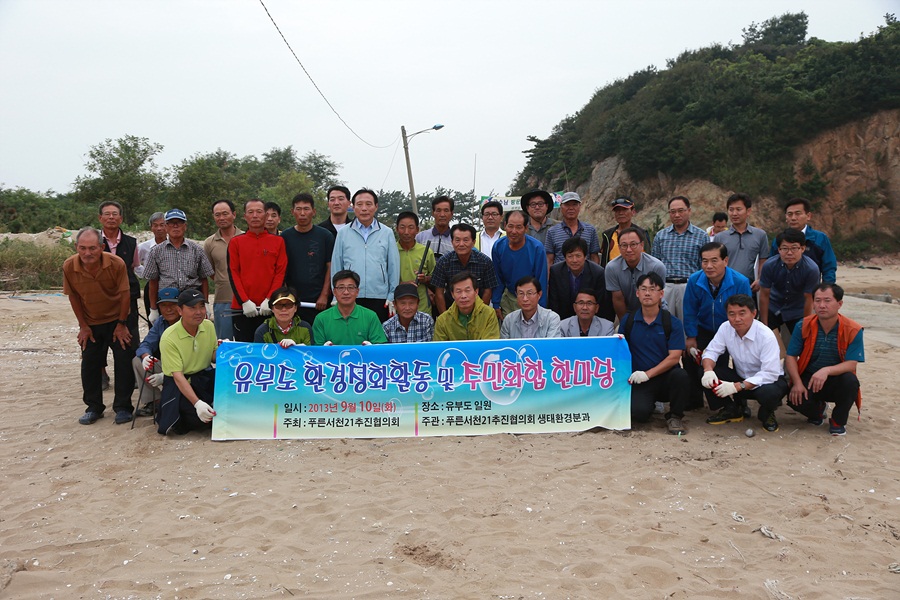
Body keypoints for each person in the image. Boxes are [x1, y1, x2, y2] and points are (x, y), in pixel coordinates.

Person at [63, 227, 135, 425]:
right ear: (77, 247)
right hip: (91, 322)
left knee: (123, 361)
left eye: (93, 248)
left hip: (116, 320)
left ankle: (123, 407)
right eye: (83, 248)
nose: (88, 253)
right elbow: (73, 297)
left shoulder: (116, 263)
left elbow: (125, 295)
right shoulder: (69, 266)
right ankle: (94, 407)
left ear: (102, 247)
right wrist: (83, 326)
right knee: (89, 364)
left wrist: (122, 324)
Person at [784, 284, 864, 436]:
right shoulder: (803, 325)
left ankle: (838, 421)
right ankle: (817, 411)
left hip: (837, 377)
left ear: (839, 304)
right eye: (817, 300)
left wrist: (826, 370)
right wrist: (797, 383)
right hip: (810, 375)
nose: (821, 305)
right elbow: (791, 356)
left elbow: (851, 363)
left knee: (851, 382)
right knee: (793, 397)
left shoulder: (853, 329)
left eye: (827, 300)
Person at [701, 294, 789, 432]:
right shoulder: (725, 328)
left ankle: (767, 413)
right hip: (741, 377)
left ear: (754, 313)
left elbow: (770, 373)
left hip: (766, 382)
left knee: (770, 392)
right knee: (706, 373)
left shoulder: (765, 335)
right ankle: (731, 409)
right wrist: (708, 370)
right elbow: (711, 351)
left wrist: (737, 386)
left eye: (742, 313)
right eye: (731, 314)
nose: (737, 319)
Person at [682, 242, 752, 410]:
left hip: (733, 330)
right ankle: (696, 399)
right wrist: (691, 336)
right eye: (704, 261)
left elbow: (746, 311)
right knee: (691, 359)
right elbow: (689, 309)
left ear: (725, 260)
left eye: (714, 260)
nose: (709, 266)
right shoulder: (695, 280)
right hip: (705, 328)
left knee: (738, 363)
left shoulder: (740, 282)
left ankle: (741, 402)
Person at [618, 273, 689, 435]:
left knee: (681, 376)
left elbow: (674, 357)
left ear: (661, 294)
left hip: (664, 377)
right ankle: (649, 406)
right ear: (637, 293)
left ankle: (675, 416)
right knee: (639, 414)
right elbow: (620, 351)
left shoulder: (672, 322)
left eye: (652, 289)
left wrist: (648, 374)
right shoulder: (628, 321)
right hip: (639, 379)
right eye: (643, 289)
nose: (647, 293)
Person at [330, 188, 400, 323]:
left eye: (368, 204)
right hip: (350, 294)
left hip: (380, 295)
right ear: (353, 207)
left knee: (375, 337)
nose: (364, 209)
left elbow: (393, 266)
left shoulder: (386, 232)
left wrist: (392, 294)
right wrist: (336, 294)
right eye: (359, 204)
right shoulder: (344, 233)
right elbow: (337, 265)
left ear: (376, 206)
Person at [157, 289, 218, 435]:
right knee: (197, 420)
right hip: (180, 383)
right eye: (192, 308)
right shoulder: (169, 337)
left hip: (205, 377)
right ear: (180, 310)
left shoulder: (208, 326)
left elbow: (213, 356)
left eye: (201, 306)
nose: (198, 312)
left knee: (225, 411)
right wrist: (197, 403)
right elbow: (178, 376)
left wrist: (226, 351)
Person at [228, 199, 288, 342]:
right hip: (242, 309)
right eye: (250, 212)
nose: (255, 215)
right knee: (245, 352)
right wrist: (244, 301)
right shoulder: (236, 242)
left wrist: (270, 300)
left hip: (270, 308)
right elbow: (233, 273)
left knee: (271, 353)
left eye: (259, 211)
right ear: (244, 216)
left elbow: (280, 273)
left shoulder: (278, 241)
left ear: (266, 215)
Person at [143, 209, 214, 323]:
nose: (175, 226)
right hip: (167, 300)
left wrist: (205, 303)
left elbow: (203, 278)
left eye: (179, 223)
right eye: (171, 223)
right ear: (166, 227)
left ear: (185, 226)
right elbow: (153, 281)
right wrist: (153, 309)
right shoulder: (156, 251)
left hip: (192, 299)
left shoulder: (197, 250)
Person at [651, 195, 708, 320]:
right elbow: (654, 266)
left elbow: (704, 267)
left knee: (688, 324)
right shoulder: (660, 236)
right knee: (665, 324)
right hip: (666, 287)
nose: (677, 215)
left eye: (680, 211)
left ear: (689, 211)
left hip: (689, 286)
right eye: (673, 212)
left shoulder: (701, 236)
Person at [282, 193, 334, 325]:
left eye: (306, 209)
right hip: (293, 299)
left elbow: (330, 266)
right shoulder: (285, 237)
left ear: (313, 212)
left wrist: (324, 295)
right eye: (298, 209)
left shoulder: (325, 236)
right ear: (292, 212)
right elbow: (281, 268)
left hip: (319, 301)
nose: (302, 213)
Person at [759, 229, 820, 336]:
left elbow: (809, 299)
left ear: (803, 248)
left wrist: (805, 325)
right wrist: (764, 325)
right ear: (778, 249)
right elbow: (764, 295)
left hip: (797, 310)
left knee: (804, 340)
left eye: (794, 248)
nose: (789, 253)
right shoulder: (769, 265)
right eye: (785, 248)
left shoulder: (811, 269)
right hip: (774, 306)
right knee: (763, 337)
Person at [133, 287, 181, 417]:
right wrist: (146, 356)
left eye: (172, 305)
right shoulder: (160, 322)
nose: (168, 309)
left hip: (188, 368)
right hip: (168, 365)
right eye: (164, 305)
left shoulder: (189, 321)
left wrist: (165, 376)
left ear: (180, 306)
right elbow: (146, 344)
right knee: (138, 360)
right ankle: (154, 401)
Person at [430, 223, 498, 315]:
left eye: (466, 240)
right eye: (457, 240)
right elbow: (439, 292)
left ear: (473, 242)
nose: (461, 244)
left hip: (477, 309)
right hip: (451, 309)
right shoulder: (444, 262)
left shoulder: (485, 262)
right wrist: (445, 317)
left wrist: (479, 314)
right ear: (452, 242)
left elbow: (488, 290)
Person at [98, 201, 141, 345]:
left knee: (129, 342)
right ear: (100, 218)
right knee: (99, 342)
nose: (111, 217)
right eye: (107, 214)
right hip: (100, 299)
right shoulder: (92, 243)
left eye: (114, 214)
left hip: (127, 298)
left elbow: (134, 266)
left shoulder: (131, 243)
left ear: (121, 219)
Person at [492, 210, 548, 319]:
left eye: (518, 227)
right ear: (505, 226)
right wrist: (496, 302)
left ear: (526, 228)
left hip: (531, 299)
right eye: (510, 226)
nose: (513, 231)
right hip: (509, 297)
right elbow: (497, 278)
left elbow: (541, 280)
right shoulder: (498, 246)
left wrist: (541, 308)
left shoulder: (537, 248)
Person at [605, 227, 667, 321]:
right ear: (619, 248)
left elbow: (656, 298)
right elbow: (618, 300)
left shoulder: (656, 266)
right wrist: (627, 324)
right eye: (624, 245)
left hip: (655, 310)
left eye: (633, 244)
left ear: (642, 245)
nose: (629, 250)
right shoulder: (612, 268)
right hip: (626, 312)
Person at [770, 198, 837, 283]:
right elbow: (771, 266)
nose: (793, 218)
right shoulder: (778, 240)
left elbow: (829, 267)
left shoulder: (820, 239)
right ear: (786, 217)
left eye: (798, 214)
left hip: (811, 289)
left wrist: (826, 289)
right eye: (790, 214)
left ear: (808, 216)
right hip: (783, 291)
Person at [312, 270, 388, 345]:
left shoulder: (370, 317)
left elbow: (379, 348)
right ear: (334, 292)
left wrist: (371, 347)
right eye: (341, 288)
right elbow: (316, 352)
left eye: (351, 287)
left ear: (357, 291)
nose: (346, 292)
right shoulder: (321, 319)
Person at [203, 199, 243, 340]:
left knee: (245, 343)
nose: (221, 218)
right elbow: (210, 271)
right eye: (217, 215)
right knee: (223, 343)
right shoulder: (210, 242)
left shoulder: (245, 238)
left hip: (246, 300)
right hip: (222, 299)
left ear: (234, 214)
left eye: (225, 214)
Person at [714, 193, 769, 292]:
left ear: (748, 211)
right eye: (731, 210)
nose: (734, 213)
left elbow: (763, 261)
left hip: (751, 288)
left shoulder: (760, 235)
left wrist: (760, 280)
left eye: (738, 209)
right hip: (726, 287)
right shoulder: (719, 237)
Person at [548, 237, 612, 321]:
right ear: (565, 257)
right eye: (570, 256)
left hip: (591, 319)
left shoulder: (597, 272)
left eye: (578, 256)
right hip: (563, 319)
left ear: (585, 256)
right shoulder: (556, 271)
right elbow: (554, 303)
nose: (574, 260)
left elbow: (601, 303)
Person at [433, 271, 500, 342]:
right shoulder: (442, 320)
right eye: (458, 291)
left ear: (476, 292)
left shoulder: (489, 314)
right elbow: (440, 350)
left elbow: (490, 346)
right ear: (452, 294)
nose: (463, 296)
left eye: (467, 290)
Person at [395, 211, 436, 314]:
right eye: (402, 227)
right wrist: (402, 284)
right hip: (397, 307)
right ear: (396, 229)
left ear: (417, 230)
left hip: (422, 307)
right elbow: (384, 279)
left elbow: (435, 278)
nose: (406, 232)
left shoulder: (426, 252)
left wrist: (425, 279)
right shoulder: (391, 250)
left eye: (411, 227)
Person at [545, 192, 600, 266]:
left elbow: (594, 257)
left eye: (574, 204)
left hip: (585, 275)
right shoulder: (552, 232)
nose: (571, 208)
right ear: (561, 207)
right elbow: (549, 259)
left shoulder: (590, 230)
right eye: (567, 205)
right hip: (560, 276)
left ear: (579, 206)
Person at [600, 197, 651, 267]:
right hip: (613, 275)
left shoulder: (641, 234)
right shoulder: (608, 235)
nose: (621, 213)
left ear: (633, 212)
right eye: (617, 210)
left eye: (624, 210)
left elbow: (648, 257)